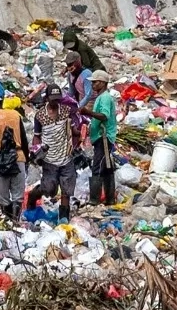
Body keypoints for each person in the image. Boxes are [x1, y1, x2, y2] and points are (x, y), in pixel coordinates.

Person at [31, 90, 78, 219]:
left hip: (66, 157)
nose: (55, 102)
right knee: (49, 189)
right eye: (53, 99)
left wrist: (82, 132)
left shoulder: (65, 111)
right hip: (49, 159)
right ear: (46, 98)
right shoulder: (40, 116)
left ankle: (64, 219)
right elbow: (37, 137)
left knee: (66, 190)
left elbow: (73, 130)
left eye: (58, 99)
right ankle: (33, 196)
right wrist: (36, 152)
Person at [81, 71, 120, 207]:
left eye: (95, 82)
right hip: (100, 136)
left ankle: (95, 199)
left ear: (103, 83)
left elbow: (104, 116)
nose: (92, 84)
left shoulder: (104, 97)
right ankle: (110, 199)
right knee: (106, 165)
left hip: (104, 137)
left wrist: (88, 112)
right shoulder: (101, 97)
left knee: (98, 166)